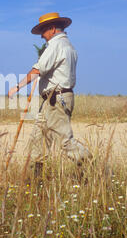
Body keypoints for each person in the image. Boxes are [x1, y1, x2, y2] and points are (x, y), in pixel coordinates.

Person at [8, 12, 92, 180]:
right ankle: (35, 179)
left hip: (56, 99)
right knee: (37, 139)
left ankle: (93, 169)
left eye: (43, 31)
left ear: (52, 29)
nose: (42, 36)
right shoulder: (69, 47)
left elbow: (37, 70)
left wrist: (17, 87)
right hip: (52, 100)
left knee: (65, 141)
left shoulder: (55, 46)